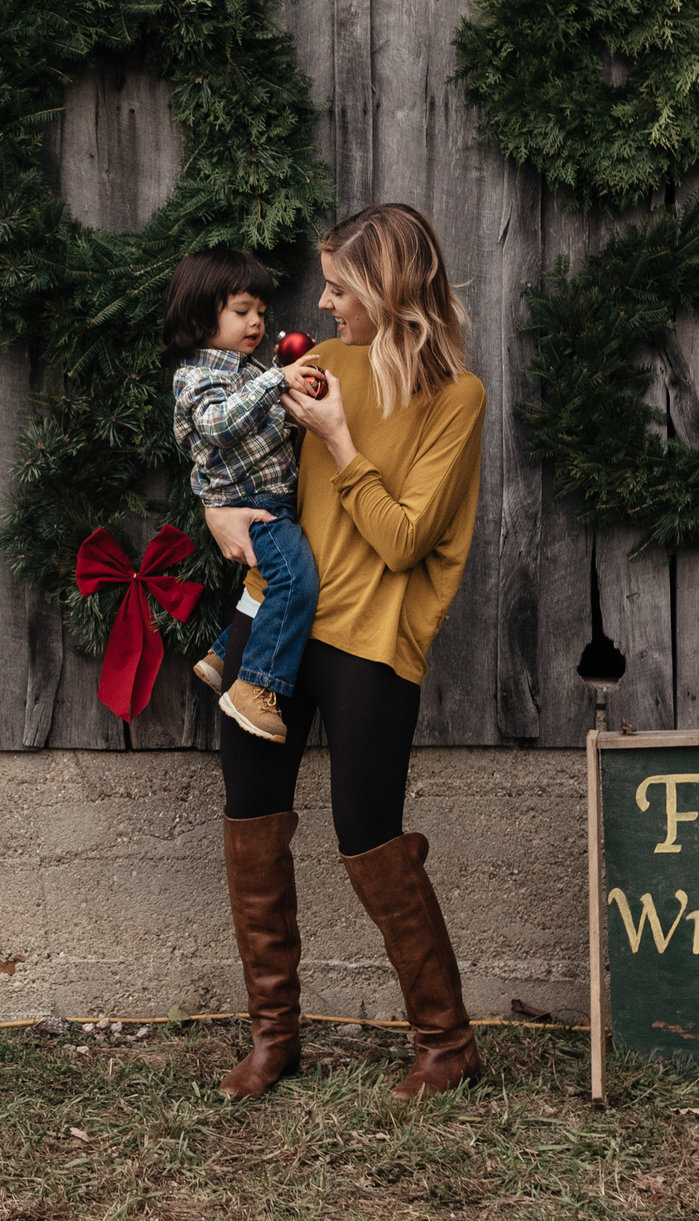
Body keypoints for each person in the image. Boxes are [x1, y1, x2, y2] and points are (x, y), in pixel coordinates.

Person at [202, 203, 485, 1103]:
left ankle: (446, 1042)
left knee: (371, 838)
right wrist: (217, 512)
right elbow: (232, 454)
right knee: (250, 822)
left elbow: (403, 540)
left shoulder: (458, 399)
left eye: (339, 284)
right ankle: (274, 1037)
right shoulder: (316, 366)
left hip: (371, 641)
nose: (322, 302)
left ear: (388, 289)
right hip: (272, 629)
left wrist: (339, 441)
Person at [163, 249, 324, 740]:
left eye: (260, 312)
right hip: (257, 506)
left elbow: (271, 425)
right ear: (199, 315)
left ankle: (222, 652)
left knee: (264, 587)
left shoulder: (247, 370)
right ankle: (254, 686)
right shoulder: (198, 378)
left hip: (273, 498)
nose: (256, 322)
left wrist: (300, 401)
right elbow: (218, 424)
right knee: (296, 583)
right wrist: (277, 380)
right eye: (241, 311)